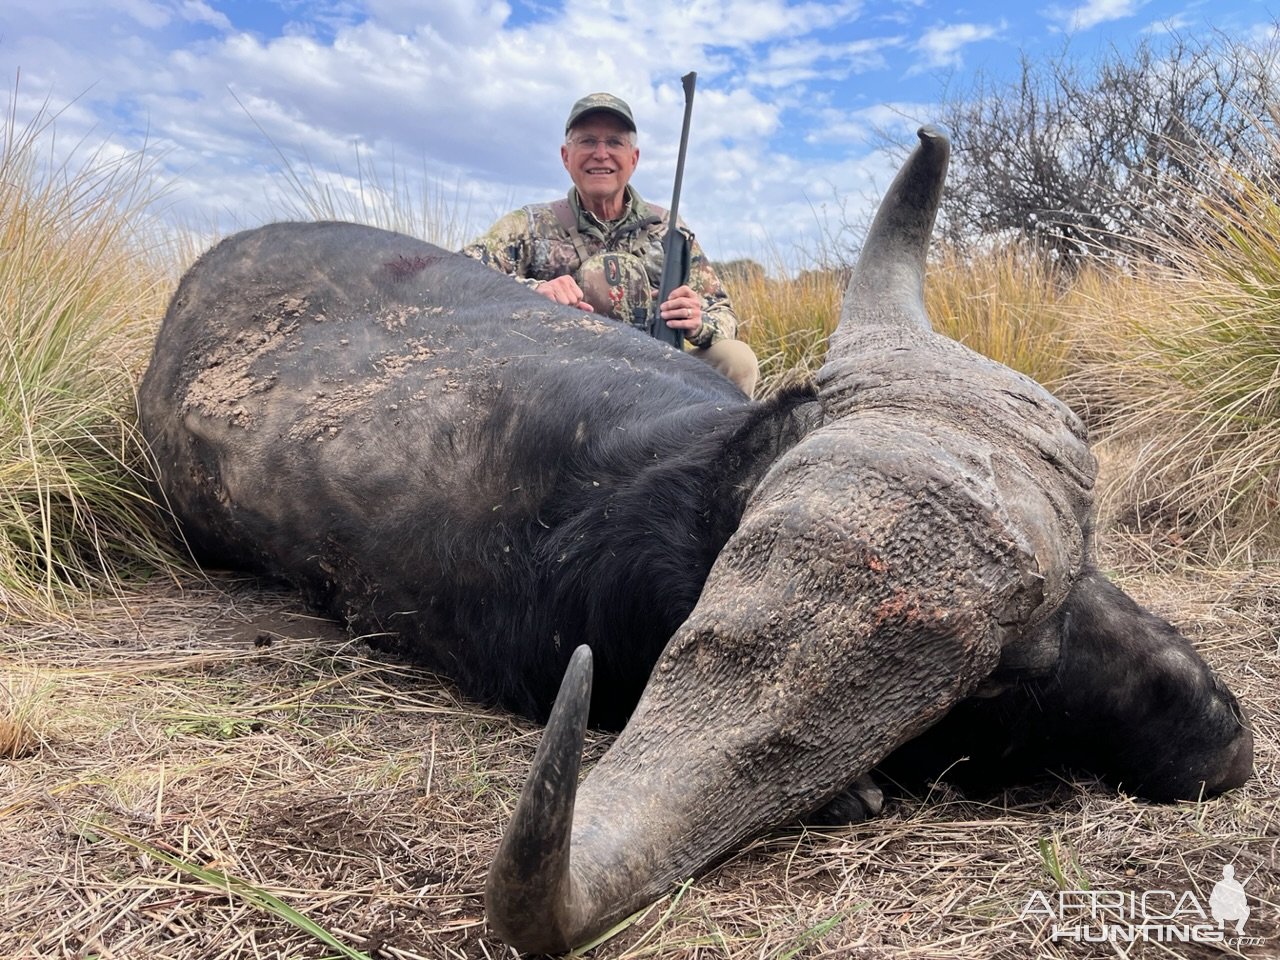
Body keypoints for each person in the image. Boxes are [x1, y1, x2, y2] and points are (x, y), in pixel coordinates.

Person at [462, 92, 759, 397]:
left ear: (634, 158)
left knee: (737, 360)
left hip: (658, 377)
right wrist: (534, 293)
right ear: (566, 156)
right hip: (558, 386)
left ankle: (711, 445)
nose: (601, 154)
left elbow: (724, 313)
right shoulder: (528, 225)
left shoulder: (668, 230)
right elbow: (459, 278)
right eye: (588, 141)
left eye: (615, 142)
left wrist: (699, 322)